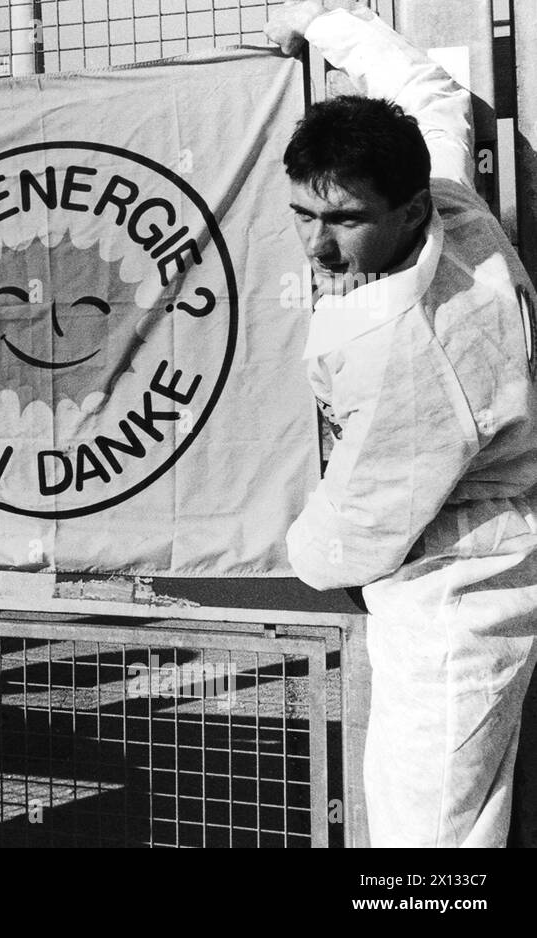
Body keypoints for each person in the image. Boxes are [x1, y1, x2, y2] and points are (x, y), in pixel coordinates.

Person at [267, 2, 537, 846]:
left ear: (410, 212)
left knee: (428, 841)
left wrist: (296, 550)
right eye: (305, 215)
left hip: (451, 603)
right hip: (480, 560)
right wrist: (315, 18)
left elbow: (349, 535)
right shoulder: (456, 207)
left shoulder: (410, 349)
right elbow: (431, 98)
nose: (317, 246)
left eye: (345, 220)